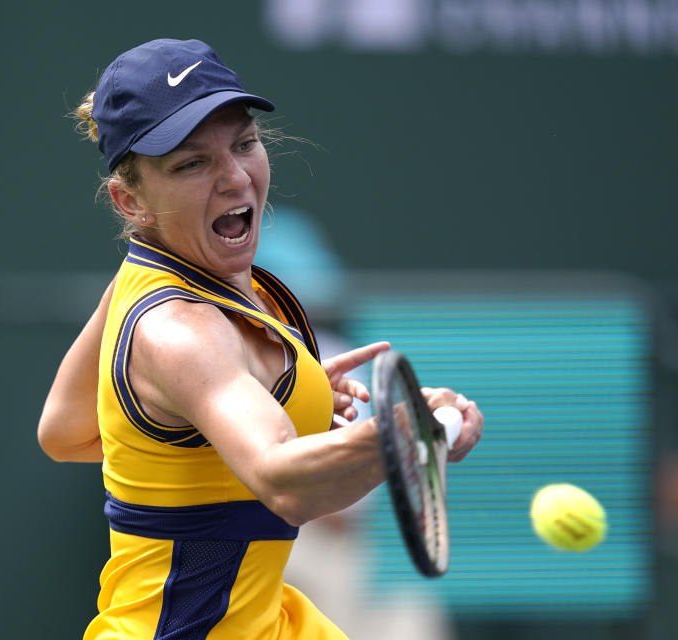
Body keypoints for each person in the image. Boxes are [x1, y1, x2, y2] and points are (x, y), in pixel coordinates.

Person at [37, 38, 483, 640]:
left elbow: (63, 431)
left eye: (244, 144)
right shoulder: (180, 329)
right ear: (130, 200)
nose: (232, 176)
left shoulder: (153, 281)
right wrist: (401, 435)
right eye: (190, 163)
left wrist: (255, 411)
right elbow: (282, 481)